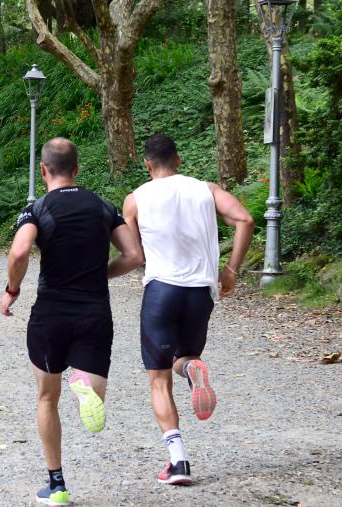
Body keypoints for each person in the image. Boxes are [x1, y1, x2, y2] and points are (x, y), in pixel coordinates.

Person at [0, 137, 143, 506]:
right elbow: (134, 255)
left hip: (51, 314)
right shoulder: (103, 206)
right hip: (95, 313)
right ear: (77, 168)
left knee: (47, 398)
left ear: (43, 170)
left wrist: (12, 289)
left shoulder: (37, 209)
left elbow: (19, 251)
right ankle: (83, 387)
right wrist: (99, 273)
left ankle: (57, 485)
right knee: (91, 397)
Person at [121, 134, 254, 485]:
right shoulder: (206, 190)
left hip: (161, 291)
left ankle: (178, 462)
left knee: (159, 379)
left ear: (147, 165)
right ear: (178, 160)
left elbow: (133, 255)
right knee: (186, 357)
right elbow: (245, 220)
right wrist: (231, 270)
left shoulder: (135, 199)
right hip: (200, 293)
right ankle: (193, 368)